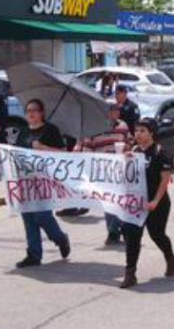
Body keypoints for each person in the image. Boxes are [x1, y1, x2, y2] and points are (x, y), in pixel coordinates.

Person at [119, 118, 174, 288]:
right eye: (136, 130)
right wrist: (124, 159)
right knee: (132, 236)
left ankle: (170, 258)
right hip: (136, 203)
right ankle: (130, 274)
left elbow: (165, 180)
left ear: (151, 133)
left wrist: (155, 201)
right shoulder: (134, 151)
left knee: (157, 234)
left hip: (156, 202)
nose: (138, 134)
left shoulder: (160, 152)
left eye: (142, 131)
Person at [13, 99, 71, 268]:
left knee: (42, 216)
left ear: (42, 113)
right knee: (29, 218)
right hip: (26, 182)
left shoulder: (51, 130)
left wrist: (43, 147)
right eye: (28, 110)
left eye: (35, 110)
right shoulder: (23, 132)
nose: (31, 113)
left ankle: (60, 238)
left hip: (45, 181)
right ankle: (33, 254)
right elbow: (16, 154)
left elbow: (64, 154)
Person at [73, 104, 131, 245]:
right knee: (108, 202)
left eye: (117, 109)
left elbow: (129, 141)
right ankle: (113, 232)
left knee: (121, 201)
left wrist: (127, 149)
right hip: (102, 172)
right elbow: (87, 151)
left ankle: (121, 227)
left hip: (121, 170)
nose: (115, 112)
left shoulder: (123, 126)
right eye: (111, 110)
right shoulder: (93, 129)